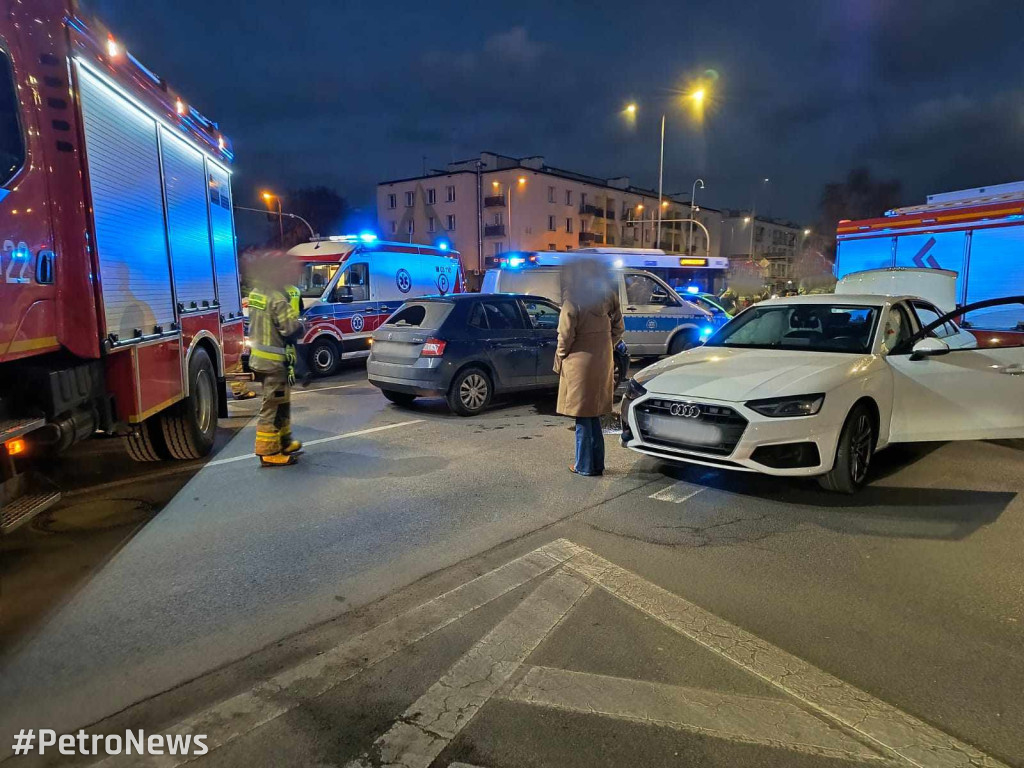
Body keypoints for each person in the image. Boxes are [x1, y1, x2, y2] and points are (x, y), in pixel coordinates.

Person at [555, 258, 624, 477]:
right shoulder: (607, 297)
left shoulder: (572, 301)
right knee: (593, 415)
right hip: (602, 362)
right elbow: (619, 328)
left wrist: (560, 358)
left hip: (579, 364)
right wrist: (604, 347)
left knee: (582, 416)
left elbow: (565, 336)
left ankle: (583, 465)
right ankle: (596, 464)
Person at [247, 253, 304, 467]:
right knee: (272, 406)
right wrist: (301, 324)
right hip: (274, 363)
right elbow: (290, 328)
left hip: (260, 360)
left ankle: (284, 442)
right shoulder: (277, 298)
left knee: (281, 403)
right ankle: (268, 452)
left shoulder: (256, 294)